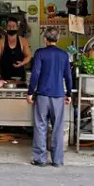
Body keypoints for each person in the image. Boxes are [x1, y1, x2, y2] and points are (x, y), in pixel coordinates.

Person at [27, 28, 72, 167]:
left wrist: (30, 92)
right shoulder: (64, 55)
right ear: (57, 40)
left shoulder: (40, 53)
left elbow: (35, 74)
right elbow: (68, 76)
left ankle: (40, 159)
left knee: (40, 126)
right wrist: (69, 93)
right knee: (57, 128)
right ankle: (57, 160)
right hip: (58, 95)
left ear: (45, 39)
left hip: (42, 96)